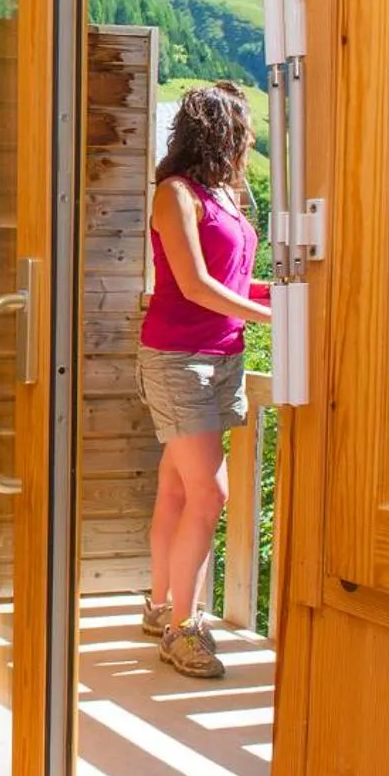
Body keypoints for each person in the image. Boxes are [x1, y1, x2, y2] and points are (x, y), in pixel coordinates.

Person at [137, 82, 270, 679]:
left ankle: (160, 605)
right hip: (178, 359)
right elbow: (192, 285)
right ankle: (183, 629)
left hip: (223, 357)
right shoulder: (175, 194)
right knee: (210, 495)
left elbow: (232, 279)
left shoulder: (225, 195)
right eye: (245, 129)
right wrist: (272, 317)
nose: (251, 139)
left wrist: (280, 295)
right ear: (222, 131)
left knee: (177, 488)